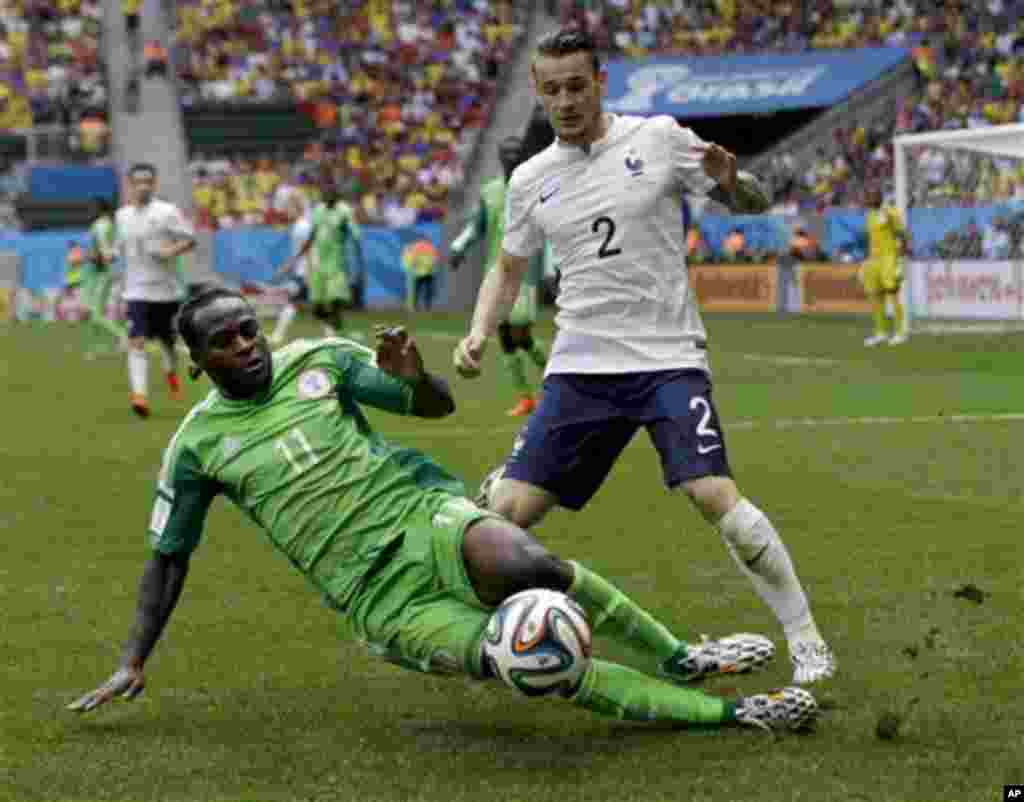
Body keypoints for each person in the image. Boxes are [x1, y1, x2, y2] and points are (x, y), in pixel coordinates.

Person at [67, 287, 818, 734]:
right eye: (225, 342)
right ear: (198, 363)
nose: (246, 344)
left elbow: (434, 406)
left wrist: (414, 376)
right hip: (372, 594)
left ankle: (682, 656)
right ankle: (735, 714)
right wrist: (134, 660)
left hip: (420, 517)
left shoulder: (319, 361)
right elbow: (169, 555)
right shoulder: (195, 448)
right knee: (534, 664)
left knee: (532, 564)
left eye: (249, 329)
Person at [453, 28, 835, 685]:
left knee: (711, 491)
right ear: (539, 95)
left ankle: (806, 640)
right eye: (552, 90)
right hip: (580, 368)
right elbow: (507, 268)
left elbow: (754, 202)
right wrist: (480, 331)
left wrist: (732, 182)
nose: (566, 100)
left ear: (601, 83)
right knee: (507, 518)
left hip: (666, 358)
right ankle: (485, 638)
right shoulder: (530, 180)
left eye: (578, 85)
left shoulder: (657, 137)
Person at [450, 136, 549, 417]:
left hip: (524, 274)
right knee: (510, 339)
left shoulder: (533, 191)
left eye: (516, 152)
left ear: (523, 155)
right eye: (506, 152)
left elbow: (549, 232)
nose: (511, 156)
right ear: (500, 156)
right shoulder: (490, 192)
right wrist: (458, 247)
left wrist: (551, 269)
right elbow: (477, 226)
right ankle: (527, 397)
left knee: (520, 336)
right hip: (495, 276)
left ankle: (556, 382)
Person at [115, 163, 197, 418]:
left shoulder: (167, 212)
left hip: (166, 291)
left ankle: (171, 372)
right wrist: (109, 255)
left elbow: (190, 238)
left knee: (168, 343)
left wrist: (170, 251)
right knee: (136, 341)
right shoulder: (122, 216)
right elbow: (123, 248)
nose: (143, 186)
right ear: (129, 185)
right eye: (138, 181)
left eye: (148, 181)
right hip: (136, 292)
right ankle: (139, 396)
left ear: (155, 183)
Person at [284, 183, 365, 338]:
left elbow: (355, 235)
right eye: (324, 194)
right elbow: (311, 237)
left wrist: (358, 260)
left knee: (336, 300)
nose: (327, 197)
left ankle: (334, 333)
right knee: (316, 308)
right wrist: (296, 258)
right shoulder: (318, 211)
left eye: (330, 194)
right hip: (318, 265)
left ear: (336, 196)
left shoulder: (344, 211)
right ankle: (337, 329)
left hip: (337, 264)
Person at [860, 185, 909, 347]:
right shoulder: (869, 215)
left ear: (880, 196)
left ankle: (900, 332)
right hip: (873, 260)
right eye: (868, 196)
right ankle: (880, 333)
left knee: (892, 294)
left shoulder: (890, 212)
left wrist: (901, 260)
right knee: (875, 296)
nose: (869, 198)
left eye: (873, 195)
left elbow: (902, 234)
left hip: (889, 258)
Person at [79, 196, 126, 357]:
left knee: (95, 313)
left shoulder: (100, 225)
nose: (90, 211)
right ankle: (93, 347)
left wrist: (92, 257)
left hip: (98, 273)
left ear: (100, 209)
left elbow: (103, 250)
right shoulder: (111, 225)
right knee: (94, 312)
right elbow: (113, 249)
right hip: (103, 271)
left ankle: (123, 336)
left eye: (93, 208)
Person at [269, 193, 314, 346]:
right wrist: (287, 266)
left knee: (292, 303)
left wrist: (309, 271)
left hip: (306, 271)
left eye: (290, 207)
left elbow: (309, 250)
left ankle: (277, 336)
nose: (287, 211)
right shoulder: (299, 226)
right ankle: (332, 334)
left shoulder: (303, 227)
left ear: (297, 208)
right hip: (302, 270)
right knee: (298, 304)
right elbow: (301, 251)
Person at [402, 237, 439, 311]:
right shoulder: (431, 248)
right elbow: (435, 260)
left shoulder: (412, 248)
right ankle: (427, 307)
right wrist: (432, 269)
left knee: (414, 292)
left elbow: (408, 260)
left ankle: (413, 308)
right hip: (428, 272)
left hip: (416, 273)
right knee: (427, 292)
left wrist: (409, 270)